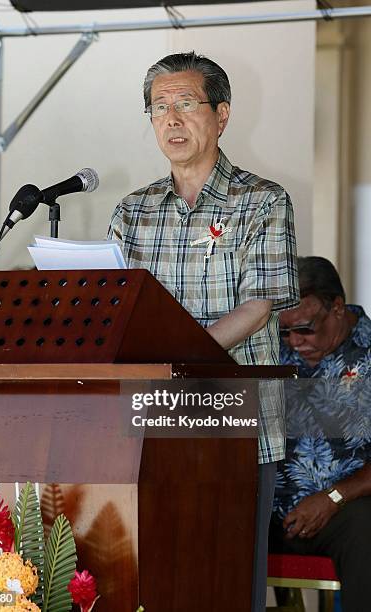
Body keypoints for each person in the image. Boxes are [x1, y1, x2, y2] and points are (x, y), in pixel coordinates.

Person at [108, 51, 299, 611]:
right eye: (158, 107)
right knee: (154, 578)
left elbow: (260, 305)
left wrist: (182, 355)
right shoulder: (132, 211)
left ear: (222, 114)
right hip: (152, 421)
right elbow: (122, 313)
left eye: (185, 104)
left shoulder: (262, 201)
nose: (171, 119)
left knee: (229, 582)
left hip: (237, 421)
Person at [269, 256, 371, 612]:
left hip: (346, 513)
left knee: (366, 527)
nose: (294, 342)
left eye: (306, 329)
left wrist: (333, 499)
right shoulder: (270, 352)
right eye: (285, 331)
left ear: (337, 308)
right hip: (269, 511)